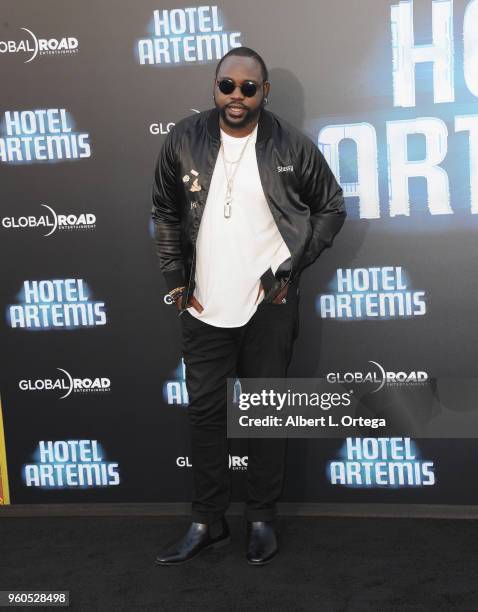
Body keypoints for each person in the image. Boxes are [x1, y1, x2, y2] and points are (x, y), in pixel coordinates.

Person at [151, 47, 346, 566]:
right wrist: (175, 282)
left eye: (248, 88)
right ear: (215, 86)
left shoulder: (291, 145)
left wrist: (290, 269)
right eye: (227, 86)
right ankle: (206, 521)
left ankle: (261, 518)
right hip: (204, 304)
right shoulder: (182, 140)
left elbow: (331, 206)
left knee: (263, 415)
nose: (236, 97)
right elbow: (166, 212)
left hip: (268, 304)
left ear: (265, 92)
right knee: (207, 417)